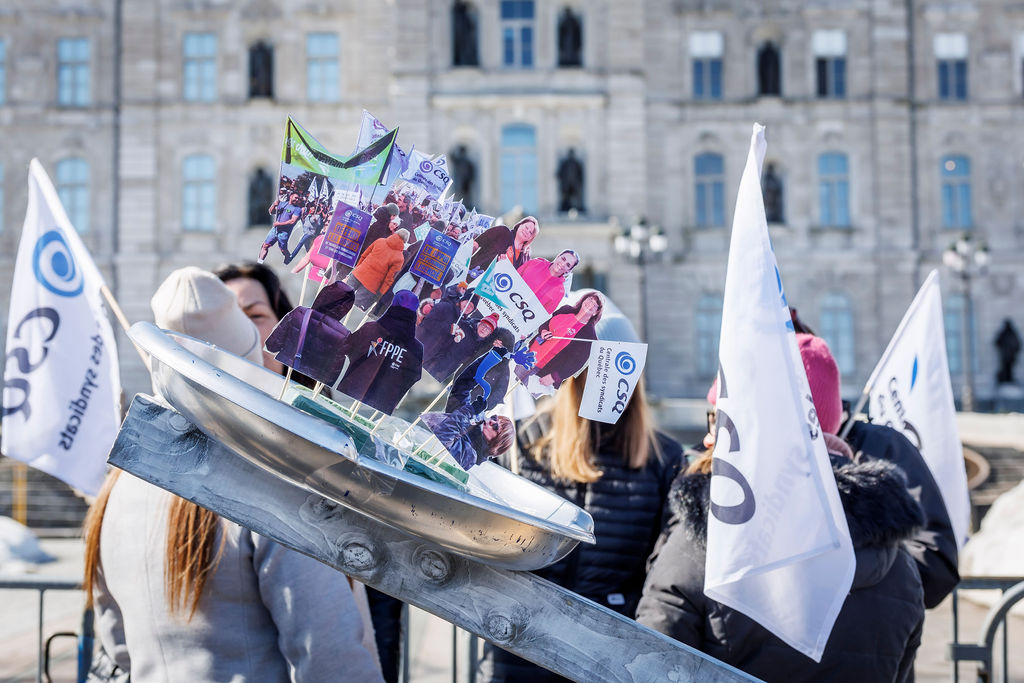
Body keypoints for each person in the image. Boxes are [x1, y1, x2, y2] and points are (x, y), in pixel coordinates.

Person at [84, 267, 383, 682]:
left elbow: (118, 645)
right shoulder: (270, 480)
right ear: (249, 363)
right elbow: (331, 659)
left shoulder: (119, 483)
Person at [636, 334, 926, 682]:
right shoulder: (899, 561)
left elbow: (648, 664)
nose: (711, 435)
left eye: (720, 418)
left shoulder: (706, 537)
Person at [476, 302, 683, 682]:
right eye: (597, 373)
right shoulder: (522, 444)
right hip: (520, 650)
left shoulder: (663, 459)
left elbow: (662, 577)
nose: (610, 386)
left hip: (609, 656)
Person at [335, 290, 423, 414]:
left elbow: (348, 348)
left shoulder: (370, 328)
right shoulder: (416, 348)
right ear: (415, 312)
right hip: (379, 408)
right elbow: (412, 376)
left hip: (349, 394)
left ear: (393, 304)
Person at [421, 376, 515, 471]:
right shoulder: (476, 419)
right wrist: (474, 374)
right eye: (494, 418)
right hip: (421, 442)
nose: (491, 421)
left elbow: (444, 435)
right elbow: (459, 394)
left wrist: (470, 411)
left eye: (495, 426)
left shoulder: (470, 457)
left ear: (495, 444)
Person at [517, 291, 603, 394]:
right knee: (511, 391)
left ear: (596, 312)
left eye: (595, 305)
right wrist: (543, 331)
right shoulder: (566, 310)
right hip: (528, 356)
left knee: (523, 397)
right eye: (590, 299)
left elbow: (577, 362)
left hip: (543, 372)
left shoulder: (589, 336)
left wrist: (555, 377)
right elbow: (546, 322)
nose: (590, 304)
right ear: (584, 299)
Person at [347, 228, 409, 310]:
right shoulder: (400, 258)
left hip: (358, 273)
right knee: (353, 308)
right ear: (405, 241)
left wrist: (357, 268)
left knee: (343, 296)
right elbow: (389, 278)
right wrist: (380, 293)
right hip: (371, 284)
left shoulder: (380, 241)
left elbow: (364, 255)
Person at [469, 217, 539, 273]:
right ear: (520, 225)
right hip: (474, 274)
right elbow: (476, 243)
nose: (527, 231)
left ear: (531, 238)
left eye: (530, 232)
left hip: (497, 284)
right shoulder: (503, 231)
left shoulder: (526, 255)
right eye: (526, 227)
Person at [259, 191, 303, 264]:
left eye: (298, 199)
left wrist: (279, 224)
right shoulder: (282, 204)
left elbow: (292, 221)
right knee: (265, 246)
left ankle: (287, 256)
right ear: (291, 196)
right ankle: (260, 262)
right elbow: (271, 212)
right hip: (275, 230)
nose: (297, 200)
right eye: (296, 198)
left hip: (284, 233)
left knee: (283, 249)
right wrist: (274, 205)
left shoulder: (297, 209)